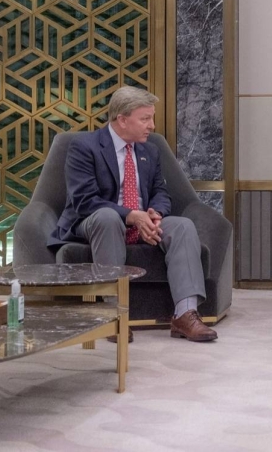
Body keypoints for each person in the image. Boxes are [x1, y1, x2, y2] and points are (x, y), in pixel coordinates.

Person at [51, 86, 217, 342]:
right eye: (145, 118)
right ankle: (115, 316)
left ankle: (185, 314)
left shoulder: (150, 150)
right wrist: (132, 215)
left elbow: (161, 191)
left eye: (152, 118)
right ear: (122, 119)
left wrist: (155, 214)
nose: (152, 125)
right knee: (108, 217)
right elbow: (84, 200)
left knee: (182, 225)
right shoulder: (84, 146)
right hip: (95, 221)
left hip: (142, 221)